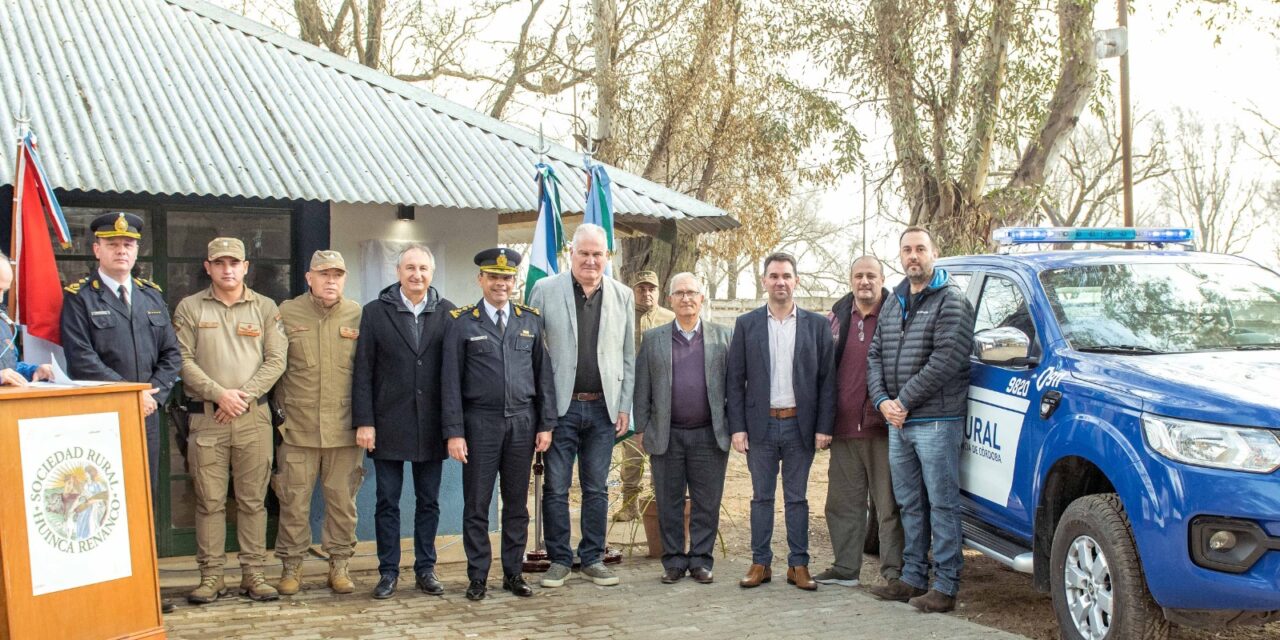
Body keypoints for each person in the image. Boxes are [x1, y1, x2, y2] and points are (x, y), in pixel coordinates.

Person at [59, 212, 183, 613]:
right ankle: (104, 590)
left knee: (142, 500)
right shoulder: (80, 297)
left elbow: (171, 355)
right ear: (96, 249)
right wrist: (133, 394)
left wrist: (154, 395)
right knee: (100, 503)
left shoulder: (150, 296)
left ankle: (144, 590)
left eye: (128, 244)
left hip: (146, 416)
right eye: (112, 243)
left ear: (137, 250)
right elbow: (82, 360)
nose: (121, 250)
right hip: (100, 420)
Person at [867, 226, 976, 613]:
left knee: (942, 503)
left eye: (920, 249)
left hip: (935, 421)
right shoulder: (894, 300)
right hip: (899, 422)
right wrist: (882, 401)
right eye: (907, 250)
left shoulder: (952, 301)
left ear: (934, 252)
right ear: (900, 256)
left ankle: (945, 586)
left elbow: (946, 361)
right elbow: (874, 354)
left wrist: (903, 400)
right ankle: (913, 579)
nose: (913, 256)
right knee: (910, 502)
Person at [173, 237, 287, 604]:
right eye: (219, 263)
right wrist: (220, 394)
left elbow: (276, 360)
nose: (227, 269)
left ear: (245, 267)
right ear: (207, 267)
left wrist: (243, 396)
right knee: (210, 502)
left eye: (233, 263)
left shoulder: (266, 308)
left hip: (254, 418)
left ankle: (253, 573)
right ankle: (211, 576)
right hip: (208, 419)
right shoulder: (190, 308)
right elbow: (182, 360)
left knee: (254, 501)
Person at [441, 248, 557, 601]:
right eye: (493, 277)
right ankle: (477, 576)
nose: (500, 284)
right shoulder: (462, 322)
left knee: (516, 505)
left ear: (514, 282)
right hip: (480, 425)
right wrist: (454, 432)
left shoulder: (530, 320)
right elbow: (450, 382)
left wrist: (545, 424)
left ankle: (512, 573)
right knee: (477, 505)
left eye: (506, 278)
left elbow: (544, 376)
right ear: (481, 280)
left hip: (522, 423)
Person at [526, 223, 635, 588]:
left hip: (604, 409)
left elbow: (627, 356)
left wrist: (624, 406)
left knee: (597, 488)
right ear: (570, 253)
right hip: (561, 409)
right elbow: (533, 353)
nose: (590, 260)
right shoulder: (544, 290)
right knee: (556, 486)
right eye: (583, 253)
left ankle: (592, 558)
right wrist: (539, 409)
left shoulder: (622, 295)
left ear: (607, 257)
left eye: (597, 254)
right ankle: (559, 559)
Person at [351, 244, 455, 600]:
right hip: (388, 422)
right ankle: (388, 571)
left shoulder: (448, 313)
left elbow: (453, 374)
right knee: (387, 501)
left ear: (432, 272)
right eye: (410, 267)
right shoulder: (375, 313)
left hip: (431, 426)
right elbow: (362, 372)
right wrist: (365, 422)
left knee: (429, 502)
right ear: (398, 272)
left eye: (423, 268)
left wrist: (453, 426)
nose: (417, 275)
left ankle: (426, 568)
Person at [727, 252, 835, 591]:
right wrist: (737, 427)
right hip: (759, 427)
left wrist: (824, 426)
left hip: (799, 426)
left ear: (796, 281)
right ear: (764, 282)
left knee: (797, 498)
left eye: (786, 276)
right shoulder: (747, 325)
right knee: (761, 498)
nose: (780, 282)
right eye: (774, 276)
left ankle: (798, 565)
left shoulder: (817, 326)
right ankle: (761, 562)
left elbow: (827, 381)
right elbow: (735, 379)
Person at [271, 250, 365, 596]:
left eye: (337, 275)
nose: (331, 281)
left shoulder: (357, 314)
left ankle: (339, 566)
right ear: (309, 277)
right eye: (324, 274)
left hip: (344, 429)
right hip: (297, 427)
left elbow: (367, 373)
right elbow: (272, 366)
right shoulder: (285, 313)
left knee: (342, 502)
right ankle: (291, 567)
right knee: (293, 502)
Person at [633, 272, 732, 585]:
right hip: (667, 435)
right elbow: (642, 388)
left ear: (702, 298)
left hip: (709, 435)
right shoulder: (653, 339)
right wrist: (642, 428)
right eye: (680, 293)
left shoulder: (723, 336)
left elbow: (736, 386)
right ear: (670, 299)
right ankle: (674, 561)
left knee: (707, 502)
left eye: (692, 293)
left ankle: (701, 560)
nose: (686, 298)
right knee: (668, 501)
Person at [814, 256, 904, 589]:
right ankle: (845, 568)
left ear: (882, 279)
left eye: (871, 275)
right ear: (850, 280)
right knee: (842, 504)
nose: (864, 281)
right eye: (858, 276)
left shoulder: (898, 315)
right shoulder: (836, 319)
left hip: (884, 429)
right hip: (843, 428)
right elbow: (823, 374)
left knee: (889, 505)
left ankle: (894, 571)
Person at [614, 270, 674, 522]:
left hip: (663, 394)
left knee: (663, 450)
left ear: (658, 292)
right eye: (641, 289)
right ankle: (629, 503)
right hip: (630, 393)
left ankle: (658, 502)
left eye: (651, 289)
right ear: (633, 290)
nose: (646, 293)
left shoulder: (670, 318)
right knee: (632, 452)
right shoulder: (621, 315)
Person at [0, 252, 54, 385]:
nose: (1, 298)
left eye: (4, 291)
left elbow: (9, 366)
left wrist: (34, 371)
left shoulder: (3, 322)